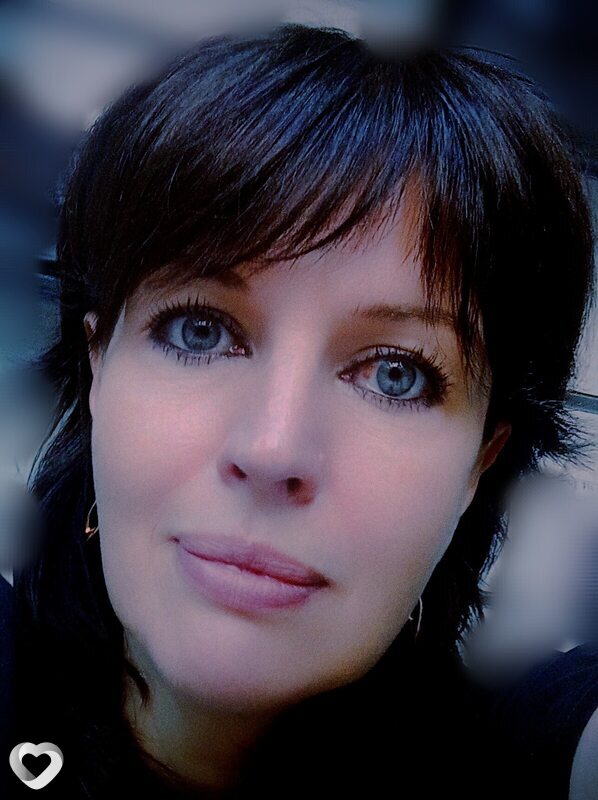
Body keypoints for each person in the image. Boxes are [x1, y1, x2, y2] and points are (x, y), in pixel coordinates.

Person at [5, 22, 597, 799]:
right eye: (199, 330)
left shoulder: (517, 757)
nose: (273, 448)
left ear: (480, 460)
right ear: (98, 366)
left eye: (395, 375)